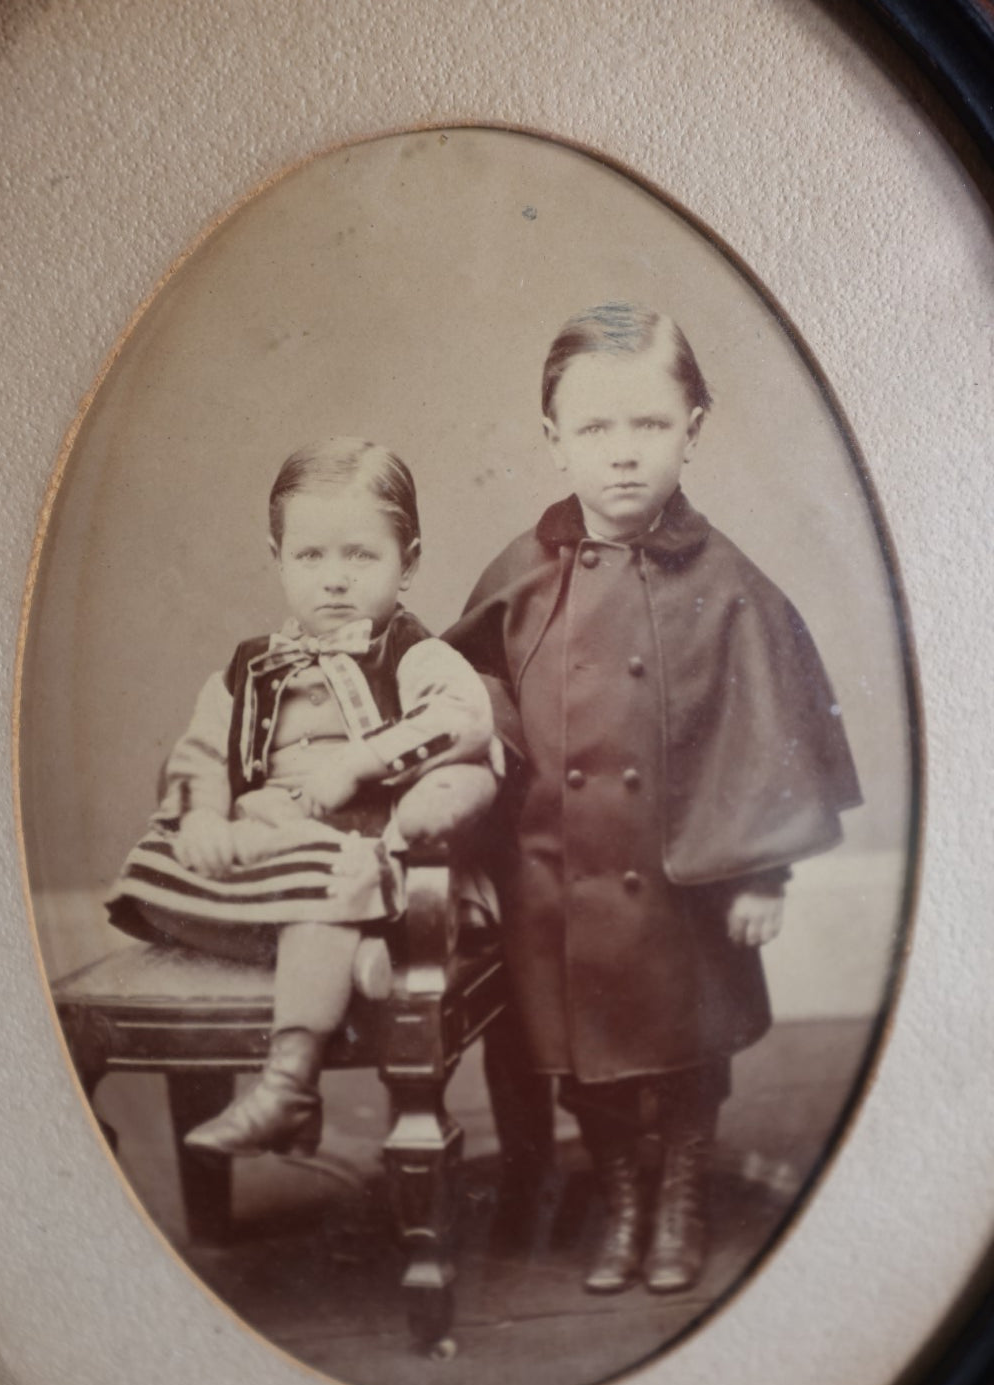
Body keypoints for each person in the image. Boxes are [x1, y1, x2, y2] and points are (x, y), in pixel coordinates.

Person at [446, 303, 861, 1296]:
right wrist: (464, 843)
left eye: (648, 425)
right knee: (579, 1046)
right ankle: (621, 1193)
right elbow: (465, 699)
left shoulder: (729, 585)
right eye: (595, 428)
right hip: (553, 872)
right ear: (554, 439)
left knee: (682, 1042)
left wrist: (764, 870)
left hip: (681, 876)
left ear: (694, 427)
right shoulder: (518, 573)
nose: (622, 454)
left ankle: (678, 1188)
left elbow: (768, 728)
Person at [108, 437, 497, 1158]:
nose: (335, 580)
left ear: (408, 563)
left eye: (361, 556)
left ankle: (288, 1085)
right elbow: (201, 748)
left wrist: (362, 759)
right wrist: (200, 816)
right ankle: (347, 957)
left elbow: (465, 718)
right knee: (152, 866)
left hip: (361, 849)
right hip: (270, 847)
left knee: (329, 879)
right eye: (311, 557)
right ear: (278, 557)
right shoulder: (251, 665)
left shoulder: (410, 651)